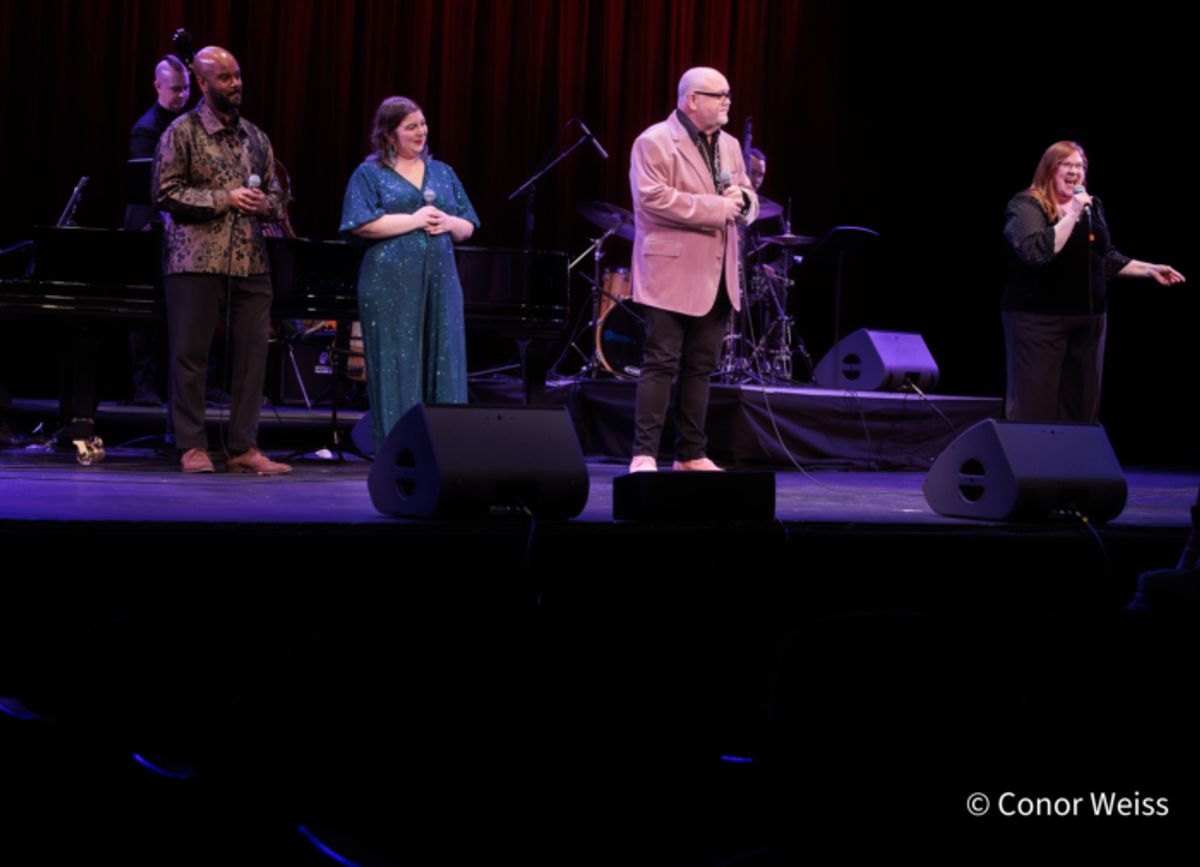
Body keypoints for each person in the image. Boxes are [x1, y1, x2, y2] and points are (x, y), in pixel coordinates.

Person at [153, 45, 290, 474]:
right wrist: (224, 198)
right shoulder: (183, 131)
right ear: (203, 82)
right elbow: (165, 192)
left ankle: (243, 448)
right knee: (190, 355)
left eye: (238, 75)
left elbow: (279, 196)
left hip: (251, 259)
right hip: (195, 259)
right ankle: (191, 445)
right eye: (226, 78)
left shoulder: (255, 136)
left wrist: (265, 205)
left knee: (252, 358)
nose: (236, 84)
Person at [627, 67, 758, 472]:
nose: (727, 102)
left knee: (701, 366)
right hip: (670, 270)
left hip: (716, 273)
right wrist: (718, 207)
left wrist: (745, 201)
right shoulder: (654, 141)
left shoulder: (731, 145)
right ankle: (645, 453)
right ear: (691, 100)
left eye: (729, 95)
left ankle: (691, 454)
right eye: (718, 95)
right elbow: (652, 199)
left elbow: (746, 194)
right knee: (661, 362)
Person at [1002, 141, 1184, 422]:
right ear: (1050, 169)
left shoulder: (1092, 205)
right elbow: (1037, 253)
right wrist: (1073, 213)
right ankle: (1032, 464)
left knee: (1081, 404)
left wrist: (1149, 269)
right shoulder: (1027, 204)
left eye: (1080, 166)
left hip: (1088, 320)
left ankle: (1072, 465)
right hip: (1037, 320)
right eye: (1067, 165)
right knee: (1035, 403)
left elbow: (1105, 257)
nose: (1075, 171)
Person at [339, 96, 479, 452]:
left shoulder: (443, 172)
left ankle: (447, 448)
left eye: (423, 123)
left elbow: (468, 226)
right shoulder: (369, 174)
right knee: (397, 361)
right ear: (389, 134)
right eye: (411, 126)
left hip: (440, 280)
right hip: (389, 283)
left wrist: (448, 221)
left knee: (444, 356)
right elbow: (361, 223)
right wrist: (415, 220)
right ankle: (398, 450)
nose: (421, 132)